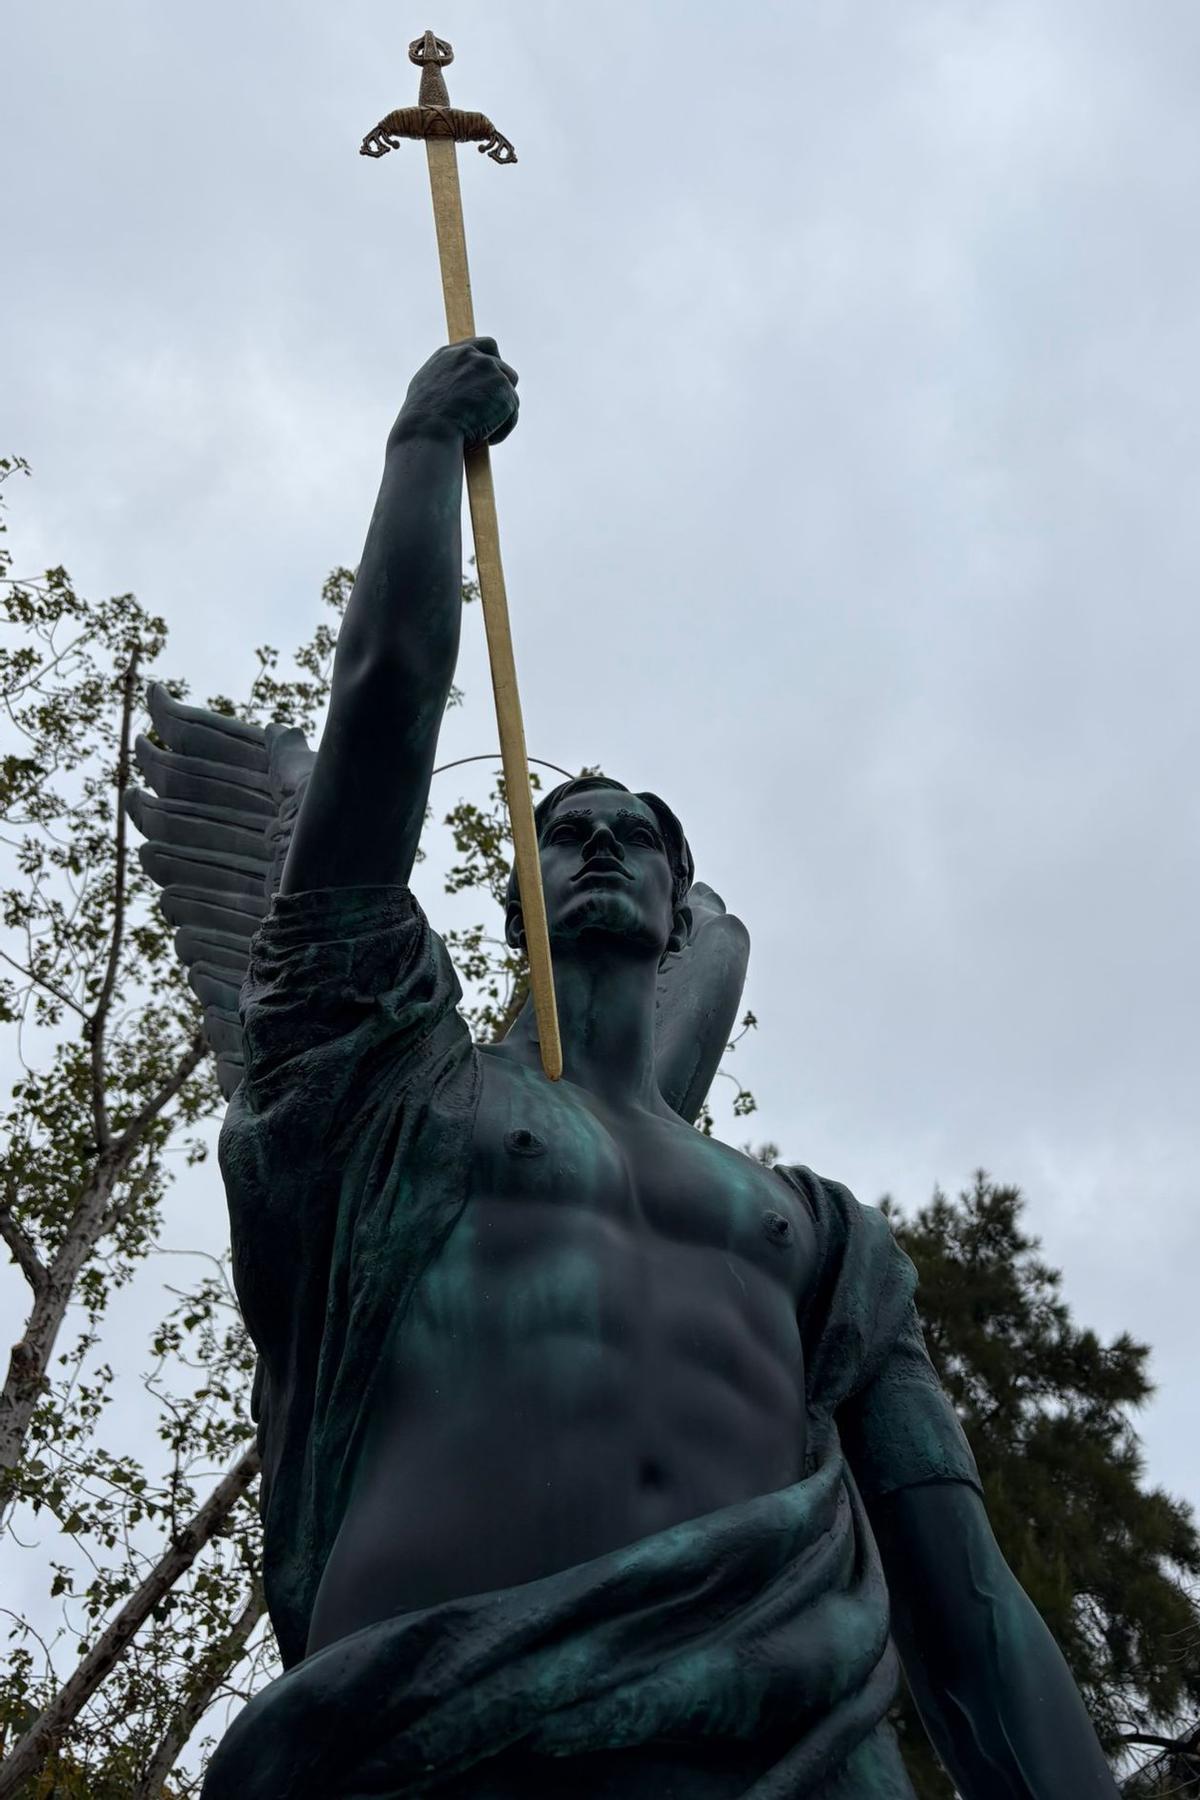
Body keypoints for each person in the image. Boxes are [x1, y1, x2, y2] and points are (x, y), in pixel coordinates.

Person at [203, 341, 1121, 1797]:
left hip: (791, 1748)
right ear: (515, 897)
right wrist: (421, 449)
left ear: (683, 911)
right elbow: (387, 694)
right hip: (441, 1735)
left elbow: (972, 1609)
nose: (609, 845)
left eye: (641, 837)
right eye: (569, 834)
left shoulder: (817, 1232)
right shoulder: (397, 1090)